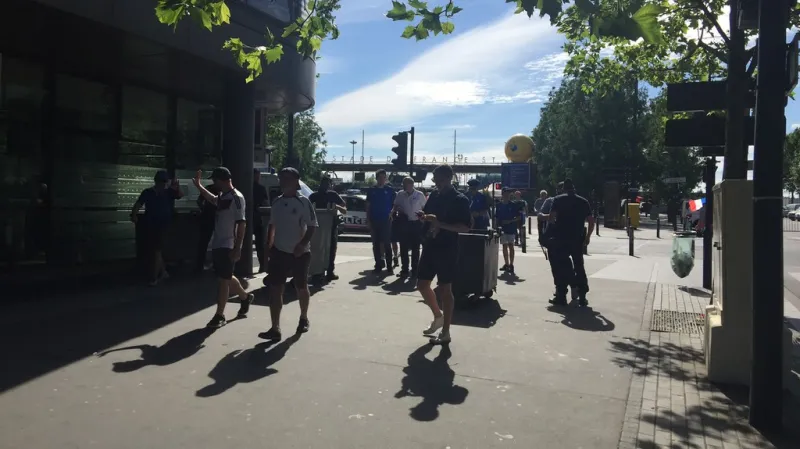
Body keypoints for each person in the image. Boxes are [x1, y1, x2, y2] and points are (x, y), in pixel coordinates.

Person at [259, 167, 318, 341]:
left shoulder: (303, 202)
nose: (282, 180)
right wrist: (268, 246)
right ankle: (275, 328)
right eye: (281, 177)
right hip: (279, 251)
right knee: (275, 289)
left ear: (295, 181)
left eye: (286, 178)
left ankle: (303, 317)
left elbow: (312, 226)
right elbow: (272, 225)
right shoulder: (276, 202)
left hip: (299, 253)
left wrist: (302, 245)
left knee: (301, 287)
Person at [192, 167, 255, 328]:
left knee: (223, 280)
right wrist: (199, 186)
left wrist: (238, 247)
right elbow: (212, 199)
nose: (214, 182)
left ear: (222, 180)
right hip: (218, 243)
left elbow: (242, 223)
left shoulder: (236, 197)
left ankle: (219, 314)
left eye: (215, 180)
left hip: (229, 244)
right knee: (225, 276)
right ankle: (244, 297)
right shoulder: (223, 196)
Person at [417, 165, 471, 345]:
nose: (436, 183)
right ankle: (437, 316)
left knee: (445, 289)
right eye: (434, 180)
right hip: (430, 245)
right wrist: (425, 217)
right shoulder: (434, 195)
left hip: (448, 247)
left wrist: (440, 224)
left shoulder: (460, 199)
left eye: (438, 180)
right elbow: (432, 216)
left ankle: (446, 331)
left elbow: (465, 227)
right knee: (422, 284)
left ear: (449, 178)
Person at [547, 178, 596, 307]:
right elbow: (591, 221)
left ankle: (561, 295)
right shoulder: (583, 201)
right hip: (577, 238)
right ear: (574, 189)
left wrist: (550, 231)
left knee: (561, 265)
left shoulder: (558, 200)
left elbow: (551, 218)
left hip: (561, 238)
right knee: (579, 265)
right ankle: (582, 295)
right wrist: (588, 237)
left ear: (564, 189)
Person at [131, 169, 183, 286]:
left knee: (156, 250)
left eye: (164, 182)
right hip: (152, 224)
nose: (163, 184)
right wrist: (134, 215)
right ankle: (163, 272)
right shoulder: (148, 192)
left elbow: (180, 195)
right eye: (162, 181)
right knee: (155, 249)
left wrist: (177, 187)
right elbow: (138, 205)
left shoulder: (168, 192)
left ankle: (154, 277)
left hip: (163, 225)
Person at [309, 176, 347, 281]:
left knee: (329, 249)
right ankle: (318, 271)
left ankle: (328, 271)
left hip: (331, 227)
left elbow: (344, 209)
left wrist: (336, 207)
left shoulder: (332, 195)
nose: (325, 186)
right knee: (318, 249)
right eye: (324, 184)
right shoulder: (314, 196)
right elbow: (307, 210)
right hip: (318, 228)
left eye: (327, 184)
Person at [391, 177, 427, 277]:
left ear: (411, 184)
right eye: (403, 184)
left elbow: (426, 208)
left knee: (416, 248)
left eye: (406, 184)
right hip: (404, 223)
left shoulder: (419, 195)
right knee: (403, 247)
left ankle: (415, 270)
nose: (404, 185)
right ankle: (404, 269)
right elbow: (395, 206)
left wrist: (423, 216)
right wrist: (395, 210)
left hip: (416, 223)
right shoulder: (400, 194)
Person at [366, 169, 396, 274]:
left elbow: (395, 205)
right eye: (380, 177)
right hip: (374, 220)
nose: (382, 179)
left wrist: (392, 213)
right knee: (376, 244)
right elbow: (368, 206)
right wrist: (368, 220)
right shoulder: (371, 190)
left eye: (384, 177)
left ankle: (389, 266)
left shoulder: (390, 190)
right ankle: (378, 265)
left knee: (387, 244)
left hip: (386, 220)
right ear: (377, 178)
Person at [195, 180, 220, 273]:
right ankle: (216, 265)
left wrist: (203, 209)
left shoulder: (208, 188)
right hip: (217, 218)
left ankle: (199, 266)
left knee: (203, 243)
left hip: (207, 217)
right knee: (218, 242)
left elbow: (199, 201)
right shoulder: (222, 190)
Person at [496, 188, 519, 274]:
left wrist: (510, 221)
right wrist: (496, 227)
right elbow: (496, 218)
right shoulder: (499, 205)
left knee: (511, 246)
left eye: (508, 193)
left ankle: (511, 265)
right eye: (505, 193)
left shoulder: (513, 205)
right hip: (502, 229)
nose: (507, 195)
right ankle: (506, 264)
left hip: (511, 228)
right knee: (504, 246)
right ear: (502, 194)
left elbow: (519, 217)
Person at [253, 169, 269, 273]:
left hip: (251, 217)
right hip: (258, 217)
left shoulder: (246, 187)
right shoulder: (261, 188)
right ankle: (262, 265)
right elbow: (266, 202)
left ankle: (263, 265)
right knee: (260, 244)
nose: (258, 178)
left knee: (259, 244)